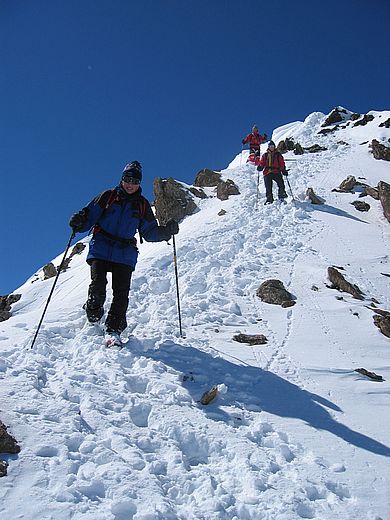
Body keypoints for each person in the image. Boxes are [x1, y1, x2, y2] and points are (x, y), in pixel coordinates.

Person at [69, 161, 179, 344]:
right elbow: (89, 216)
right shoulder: (107, 196)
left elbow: (149, 232)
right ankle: (93, 312)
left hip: (125, 253)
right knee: (97, 286)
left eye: (135, 180)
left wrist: (166, 231)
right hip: (101, 247)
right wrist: (79, 221)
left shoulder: (142, 206)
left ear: (139, 183)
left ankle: (114, 328)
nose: (130, 184)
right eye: (127, 179)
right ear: (122, 179)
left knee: (121, 293)